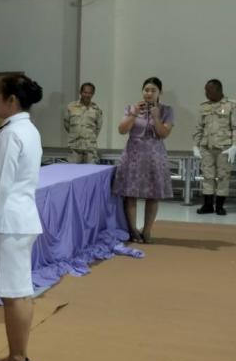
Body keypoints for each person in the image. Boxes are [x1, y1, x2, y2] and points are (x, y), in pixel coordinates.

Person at [0, 74, 44, 361]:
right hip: (20, 218)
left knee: (15, 293)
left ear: (12, 100)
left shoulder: (11, 134)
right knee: (18, 291)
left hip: (8, 221)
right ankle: (16, 352)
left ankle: (17, 358)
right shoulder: (27, 129)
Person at [113, 77, 174, 242]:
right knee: (130, 194)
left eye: (153, 90)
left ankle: (147, 231)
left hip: (155, 156)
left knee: (153, 195)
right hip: (133, 155)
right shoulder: (131, 108)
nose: (149, 93)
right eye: (146, 90)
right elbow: (121, 130)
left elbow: (164, 134)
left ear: (159, 92)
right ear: (142, 91)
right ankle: (133, 230)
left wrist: (156, 118)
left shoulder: (167, 110)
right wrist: (134, 114)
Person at [193, 79, 236, 216]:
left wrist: (234, 146)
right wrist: (196, 145)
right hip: (206, 147)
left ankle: (220, 206)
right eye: (205, 90)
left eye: (209, 90)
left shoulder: (231, 105)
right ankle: (207, 205)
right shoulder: (204, 106)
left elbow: (235, 127)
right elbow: (199, 128)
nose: (206, 93)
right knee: (207, 176)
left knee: (223, 176)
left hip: (224, 147)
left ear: (218, 90)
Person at [63, 82, 103, 164]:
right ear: (80, 92)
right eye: (85, 92)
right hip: (74, 147)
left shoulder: (96, 109)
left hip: (90, 148)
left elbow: (98, 127)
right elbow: (66, 124)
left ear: (93, 94)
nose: (87, 95)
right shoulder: (71, 107)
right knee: (72, 171)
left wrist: (89, 137)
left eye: (90, 93)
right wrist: (76, 134)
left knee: (91, 170)